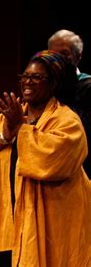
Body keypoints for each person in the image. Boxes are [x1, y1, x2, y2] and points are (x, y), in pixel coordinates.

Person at [0, 50, 90, 266]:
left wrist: (20, 128)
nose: (28, 82)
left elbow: (51, 161)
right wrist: (5, 135)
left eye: (37, 77)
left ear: (54, 83)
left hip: (53, 224)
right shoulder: (8, 116)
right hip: (7, 225)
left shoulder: (67, 121)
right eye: (25, 76)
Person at [48, 29, 91, 176]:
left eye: (64, 53)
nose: (56, 59)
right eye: (52, 54)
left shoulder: (87, 86)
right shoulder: (43, 86)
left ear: (77, 57)